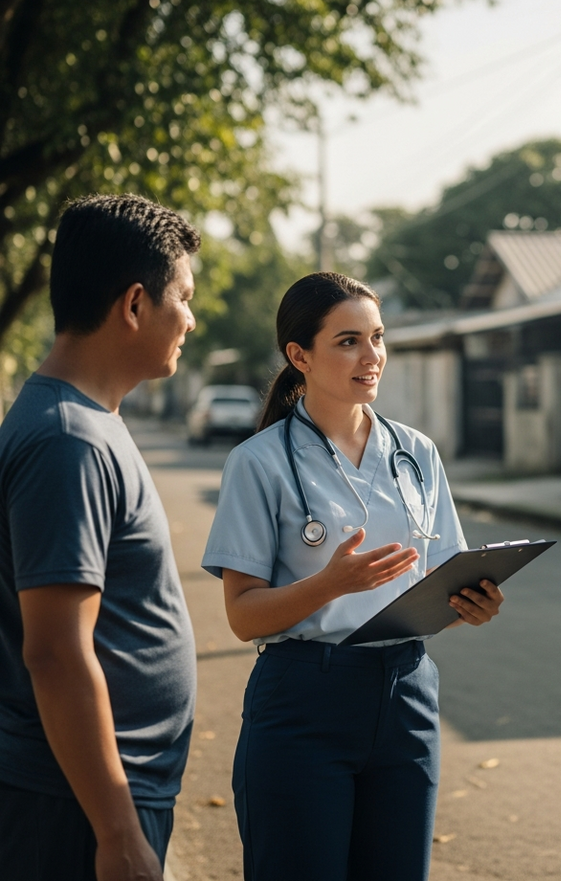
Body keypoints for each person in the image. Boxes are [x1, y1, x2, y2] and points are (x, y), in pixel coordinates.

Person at [202, 271, 504, 881]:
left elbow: (443, 572)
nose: (372, 357)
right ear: (299, 356)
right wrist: (330, 584)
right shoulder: (258, 462)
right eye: (348, 341)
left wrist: (471, 600)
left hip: (407, 696)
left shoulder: (416, 453)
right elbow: (242, 617)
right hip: (304, 700)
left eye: (378, 337)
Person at [0, 194, 199, 881]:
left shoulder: (85, 422)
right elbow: (55, 652)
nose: (191, 320)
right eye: (184, 298)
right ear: (135, 305)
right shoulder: (68, 440)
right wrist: (116, 834)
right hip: (75, 812)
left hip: (90, 798)